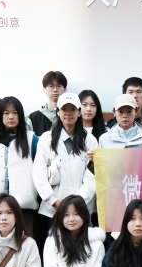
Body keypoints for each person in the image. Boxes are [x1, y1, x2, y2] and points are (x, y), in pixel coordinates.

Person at [33, 92, 97, 243]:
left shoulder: (90, 140)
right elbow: (38, 174)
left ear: (79, 112)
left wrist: (76, 204)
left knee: (80, 250)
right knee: (53, 249)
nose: (68, 113)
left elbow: (91, 177)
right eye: (64, 109)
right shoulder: (46, 138)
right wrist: (53, 201)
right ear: (58, 111)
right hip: (51, 210)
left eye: (72, 109)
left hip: (81, 211)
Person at [0, 96, 39, 238]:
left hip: (23, 206)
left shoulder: (32, 139)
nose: (10, 117)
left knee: (24, 243)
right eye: (6, 113)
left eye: (15, 112)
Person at [28, 71, 67, 136]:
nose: (55, 90)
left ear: (65, 90)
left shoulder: (70, 116)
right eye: (51, 86)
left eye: (59, 86)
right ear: (44, 89)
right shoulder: (34, 117)